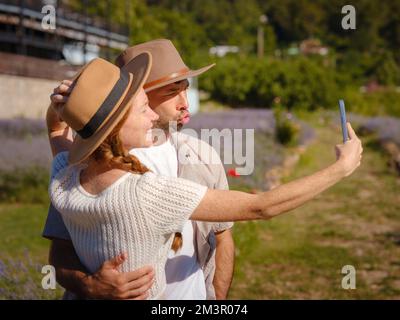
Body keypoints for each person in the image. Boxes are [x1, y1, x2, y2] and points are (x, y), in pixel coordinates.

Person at [47, 53, 363, 300]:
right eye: (144, 108)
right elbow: (261, 207)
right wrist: (341, 168)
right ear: (115, 127)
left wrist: (65, 107)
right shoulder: (147, 193)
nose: (154, 116)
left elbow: (56, 131)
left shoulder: (64, 174)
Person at [43, 39, 234, 300]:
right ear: (135, 93)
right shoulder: (89, 164)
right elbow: (60, 252)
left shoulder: (203, 155)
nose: (184, 103)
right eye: (171, 91)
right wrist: (89, 285)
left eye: (185, 88)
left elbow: (222, 238)